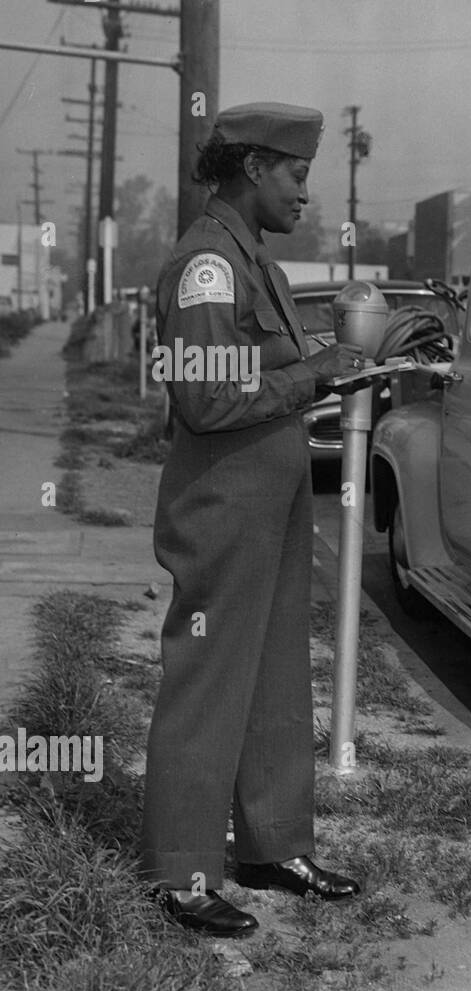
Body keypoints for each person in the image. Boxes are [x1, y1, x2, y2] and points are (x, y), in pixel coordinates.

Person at [142, 102, 368, 937]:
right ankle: (180, 870)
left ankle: (272, 843)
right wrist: (313, 378)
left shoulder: (257, 264)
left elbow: (265, 361)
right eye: (296, 175)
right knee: (209, 680)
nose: (307, 194)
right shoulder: (207, 264)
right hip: (223, 504)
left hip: (269, 500)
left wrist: (337, 361)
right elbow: (203, 398)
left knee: (275, 673)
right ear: (250, 169)